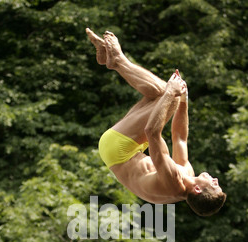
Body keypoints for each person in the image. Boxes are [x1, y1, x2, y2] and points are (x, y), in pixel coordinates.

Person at [86, 28, 226, 216]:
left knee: (166, 95)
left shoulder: (173, 182)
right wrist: (184, 98)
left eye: (214, 185)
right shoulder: (187, 175)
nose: (216, 179)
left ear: (198, 190)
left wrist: (171, 92)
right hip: (126, 150)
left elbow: (152, 131)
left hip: (119, 150)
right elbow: (179, 138)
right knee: (163, 97)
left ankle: (118, 60)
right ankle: (111, 60)